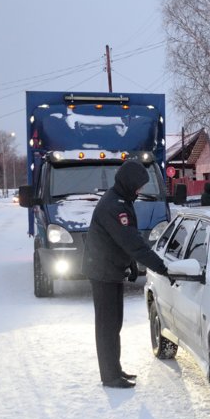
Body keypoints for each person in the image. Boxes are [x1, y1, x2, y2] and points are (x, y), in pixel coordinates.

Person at [82, 160, 170, 389]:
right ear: (129, 182)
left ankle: (114, 369)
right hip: (103, 271)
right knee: (107, 326)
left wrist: (130, 263)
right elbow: (132, 242)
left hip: (109, 268)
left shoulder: (120, 198)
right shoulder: (115, 206)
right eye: (139, 185)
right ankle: (110, 376)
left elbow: (124, 239)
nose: (140, 190)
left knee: (114, 324)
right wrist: (160, 267)